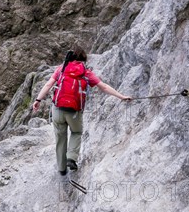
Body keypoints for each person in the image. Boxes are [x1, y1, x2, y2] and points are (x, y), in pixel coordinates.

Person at [32, 46, 132, 175]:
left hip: (58, 110)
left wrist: (38, 100)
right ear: (83, 59)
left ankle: (62, 169)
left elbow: (48, 85)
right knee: (76, 132)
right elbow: (104, 87)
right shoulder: (85, 72)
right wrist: (122, 97)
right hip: (74, 111)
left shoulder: (61, 70)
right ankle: (71, 158)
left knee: (60, 137)